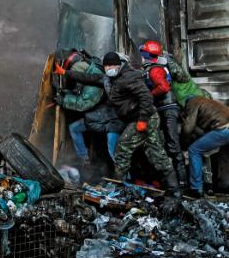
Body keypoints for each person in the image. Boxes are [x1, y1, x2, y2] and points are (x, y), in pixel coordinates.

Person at [55, 51, 180, 195]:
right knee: (156, 153)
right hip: (137, 120)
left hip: (143, 119)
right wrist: (65, 72)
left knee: (122, 149)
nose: (109, 68)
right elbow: (89, 78)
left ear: (119, 65)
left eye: (112, 65)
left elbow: (146, 97)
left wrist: (142, 120)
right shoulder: (108, 79)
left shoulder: (129, 77)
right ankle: (174, 190)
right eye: (106, 66)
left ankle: (119, 188)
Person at [54, 50, 123, 164]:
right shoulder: (94, 70)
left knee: (115, 153)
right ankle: (84, 159)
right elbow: (84, 78)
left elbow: (83, 104)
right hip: (104, 115)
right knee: (74, 128)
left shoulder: (97, 83)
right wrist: (64, 80)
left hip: (111, 120)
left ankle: (124, 179)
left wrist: (64, 100)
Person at [139, 40, 187, 187]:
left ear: (146, 55)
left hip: (168, 109)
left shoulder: (155, 69)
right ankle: (172, 181)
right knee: (166, 144)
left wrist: (150, 95)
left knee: (172, 145)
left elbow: (163, 87)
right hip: (165, 108)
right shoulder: (155, 67)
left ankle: (182, 182)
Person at [181, 96, 229, 197]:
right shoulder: (210, 102)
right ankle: (225, 185)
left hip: (223, 129)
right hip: (226, 127)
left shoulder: (192, 103)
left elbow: (188, 128)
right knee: (224, 155)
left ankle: (196, 189)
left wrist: (183, 141)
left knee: (194, 150)